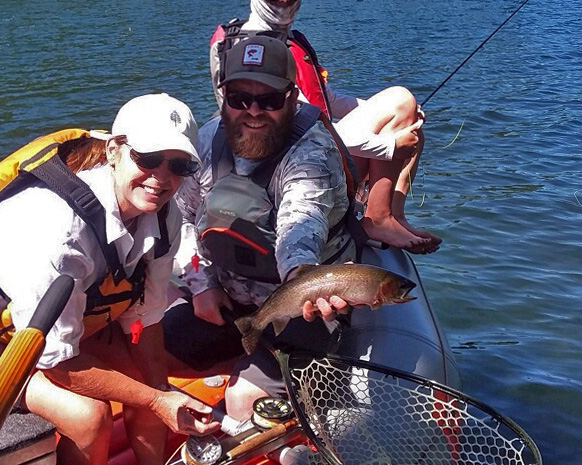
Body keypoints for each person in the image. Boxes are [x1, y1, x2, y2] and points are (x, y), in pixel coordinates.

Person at [0, 94, 219, 465]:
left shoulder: (164, 217)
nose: (162, 177)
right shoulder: (58, 231)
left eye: (179, 165)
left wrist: (158, 394)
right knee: (89, 416)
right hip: (15, 346)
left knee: (153, 387)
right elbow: (55, 360)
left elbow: (147, 319)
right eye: (148, 159)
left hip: (67, 328)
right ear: (115, 150)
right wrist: (155, 399)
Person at [165, 36, 354, 423]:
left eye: (268, 100)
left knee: (243, 403)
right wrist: (202, 285)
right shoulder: (207, 140)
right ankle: (245, 352)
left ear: (291, 97)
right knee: (157, 344)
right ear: (224, 95)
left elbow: (301, 226)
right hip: (225, 298)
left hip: (300, 309)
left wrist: (302, 278)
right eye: (239, 99)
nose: (253, 112)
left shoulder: (312, 154)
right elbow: (180, 219)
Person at [209, 0, 442, 254]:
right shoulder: (263, 51)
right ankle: (377, 219)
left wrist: (393, 116)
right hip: (298, 166)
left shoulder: (264, 41)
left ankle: (394, 217)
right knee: (401, 100)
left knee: (406, 114)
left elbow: (326, 100)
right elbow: (303, 132)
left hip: (305, 153)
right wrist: (388, 146)